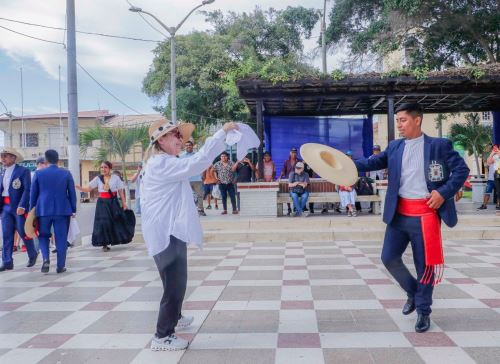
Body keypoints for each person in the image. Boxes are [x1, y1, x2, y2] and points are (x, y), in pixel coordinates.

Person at [354, 103, 469, 333]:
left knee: (424, 267)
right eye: (397, 120)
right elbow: (372, 162)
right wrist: (344, 165)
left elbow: (462, 170)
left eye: (403, 120)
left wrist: (443, 192)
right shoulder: (395, 147)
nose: (399, 124)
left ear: (417, 120)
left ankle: (424, 312)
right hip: (399, 215)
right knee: (389, 258)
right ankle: (413, 292)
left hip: (425, 215)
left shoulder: (439, 145)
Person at [141, 119, 239, 351]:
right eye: (175, 135)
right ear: (161, 140)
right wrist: (221, 133)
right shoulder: (161, 164)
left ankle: (175, 316)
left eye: (180, 135)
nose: (180, 139)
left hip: (168, 228)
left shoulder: (163, 161)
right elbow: (199, 161)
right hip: (166, 231)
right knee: (175, 283)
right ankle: (162, 336)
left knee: (171, 279)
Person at [30, 149, 76, 274]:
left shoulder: (38, 174)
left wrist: (31, 211)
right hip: (62, 210)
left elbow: (33, 194)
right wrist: (73, 209)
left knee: (43, 236)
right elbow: (72, 193)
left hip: (43, 210)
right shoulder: (66, 173)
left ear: (46, 160)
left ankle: (45, 259)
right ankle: (60, 266)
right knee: (61, 238)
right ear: (58, 160)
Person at [76, 161, 130, 252]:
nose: (103, 169)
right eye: (101, 167)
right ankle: (104, 243)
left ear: (109, 168)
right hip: (102, 203)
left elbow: (120, 191)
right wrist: (80, 188)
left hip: (113, 202)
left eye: (105, 167)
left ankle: (114, 239)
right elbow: (88, 188)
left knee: (114, 221)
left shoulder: (115, 178)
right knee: (103, 223)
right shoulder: (98, 178)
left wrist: (124, 203)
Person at [0, 148, 38, 271]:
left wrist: (22, 206)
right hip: (5, 207)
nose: (3, 159)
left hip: (18, 207)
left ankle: (32, 254)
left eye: (5, 156)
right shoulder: (2, 172)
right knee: (6, 234)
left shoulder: (23, 171)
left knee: (23, 232)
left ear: (13, 158)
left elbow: (27, 189)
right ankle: (7, 262)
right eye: (2, 156)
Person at [179, 140, 206, 216]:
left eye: (189, 145)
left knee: (200, 195)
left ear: (192, 146)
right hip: (186, 179)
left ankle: (200, 210)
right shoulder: (181, 156)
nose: (188, 146)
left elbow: (202, 166)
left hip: (197, 178)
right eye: (186, 145)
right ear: (185, 147)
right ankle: (188, 211)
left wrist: (202, 175)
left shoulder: (197, 155)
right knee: (186, 196)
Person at [280, 147, 302, 215]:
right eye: (292, 152)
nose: (294, 154)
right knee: (288, 195)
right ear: (290, 153)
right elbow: (283, 171)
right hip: (289, 181)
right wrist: (280, 177)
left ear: (297, 153)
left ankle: (295, 208)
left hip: (297, 181)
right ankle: (289, 208)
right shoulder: (286, 161)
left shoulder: (299, 161)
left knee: (296, 194)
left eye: (295, 152)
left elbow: (302, 170)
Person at [478, 145, 499, 210]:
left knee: (499, 192)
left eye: (496, 148)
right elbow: (488, 162)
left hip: (498, 178)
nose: (494, 149)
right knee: (487, 192)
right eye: (493, 148)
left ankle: (498, 205)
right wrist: (492, 154)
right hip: (491, 179)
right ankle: (484, 205)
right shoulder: (492, 156)